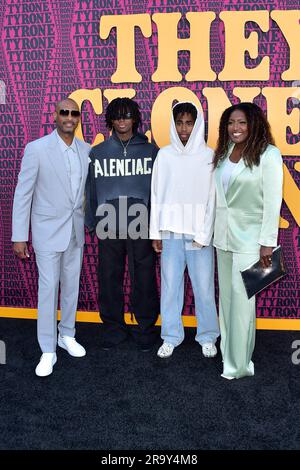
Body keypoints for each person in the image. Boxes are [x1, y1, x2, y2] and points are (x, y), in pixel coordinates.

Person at [12, 98, 90, 377]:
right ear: (55, 116)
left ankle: (66, 334)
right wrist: (19, 235)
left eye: (74, 113)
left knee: (71, 286)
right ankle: (47, 348)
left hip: (74, 231)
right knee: (48, 289)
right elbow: (23, 194)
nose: (69, 117)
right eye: (64, 112)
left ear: (79, 117)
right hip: (46, 232)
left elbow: (86, 194)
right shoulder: (36, 149)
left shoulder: (87, 150)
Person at [213, 102, 283, 380]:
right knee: (227, 300)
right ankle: (228, 352)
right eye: (231, 123)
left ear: (254, 124)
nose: (236, 128)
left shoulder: (268, 155)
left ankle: (239, 365)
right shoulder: (224, 153)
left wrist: (267, 242)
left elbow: (272, 202)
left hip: (251, 241)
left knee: (243, 303)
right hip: (223, 238)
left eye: (241, 122)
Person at [85, 98, 159, 351]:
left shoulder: (151, 152)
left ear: (135, 118)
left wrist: (157, 225)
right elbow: (91, 190)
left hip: (142, 225)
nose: (122, 120)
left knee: (144, 279)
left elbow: (160, 192)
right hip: (108, 225)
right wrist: (92, 222)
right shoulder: (97, 152)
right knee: (109, 278)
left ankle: (145, 329)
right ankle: (113, 328)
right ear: (111, 120)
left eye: (127, 115)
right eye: (117, 116)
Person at [150, 102, 220, 359]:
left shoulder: (209, 156)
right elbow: (156, 194)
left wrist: (204, 234)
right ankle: (170, 336)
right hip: (170, 234)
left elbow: (213, 199)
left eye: (189, 123)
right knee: (170, 287)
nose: (184, 128)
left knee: (203, 287)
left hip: (198, 235)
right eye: (179, 122)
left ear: (198, 124)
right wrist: (155, 231)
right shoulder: (164, 156)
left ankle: (208, 336)